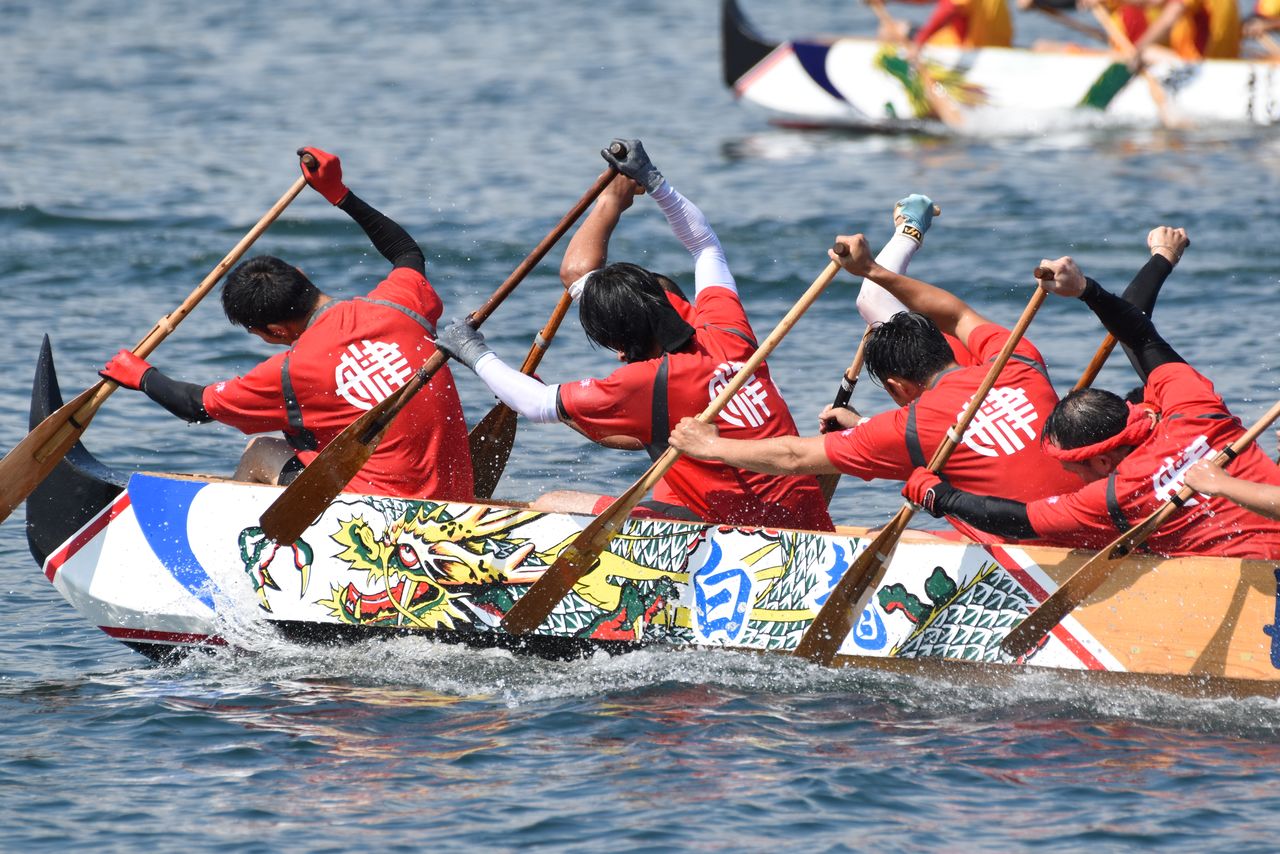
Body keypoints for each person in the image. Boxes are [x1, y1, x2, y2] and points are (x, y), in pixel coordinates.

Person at [435, 139, 833, 532]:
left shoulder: (647, 379)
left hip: (742, 537)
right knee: (665, 474)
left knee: (550, 504)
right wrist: (655, 183)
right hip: (807, 518)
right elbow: (705, 246)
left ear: (621, 343)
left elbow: (538, 405)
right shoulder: (725, 327)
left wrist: (472, 352)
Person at [670, 223, 1085, 543]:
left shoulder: (907, 428)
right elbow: (957, 315)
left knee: (875, 539)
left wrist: (709, 445)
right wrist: (871, 271)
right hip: (1089, 522)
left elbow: (796, 457)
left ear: (898, 387)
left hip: (1028, 546)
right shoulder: (1017, 361)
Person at [100, 147, 475, 500]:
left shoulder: (290, 372)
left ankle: (245, 555)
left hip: (377, 515)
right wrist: (339, 194)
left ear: (274, 332)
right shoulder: (399, 306)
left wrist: (140, 375)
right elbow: (406, 252)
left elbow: (197, 407)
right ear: (300, 274)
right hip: (453, 499)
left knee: (262, 449)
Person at [902, 228, 1280, 559]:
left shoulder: (1112, 497)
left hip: (1255, 575)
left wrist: (940, 497)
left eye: (1072, 469)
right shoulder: (1190, 407)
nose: (1072, 477)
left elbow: (1017, 521)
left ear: (1100, 462)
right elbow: (1140, 336)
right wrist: (1086, 289)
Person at [897, 0, 1014, 49]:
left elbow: (949, 8)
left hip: (971, 49)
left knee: (897, 30)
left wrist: (919, 42)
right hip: (1001, 47)